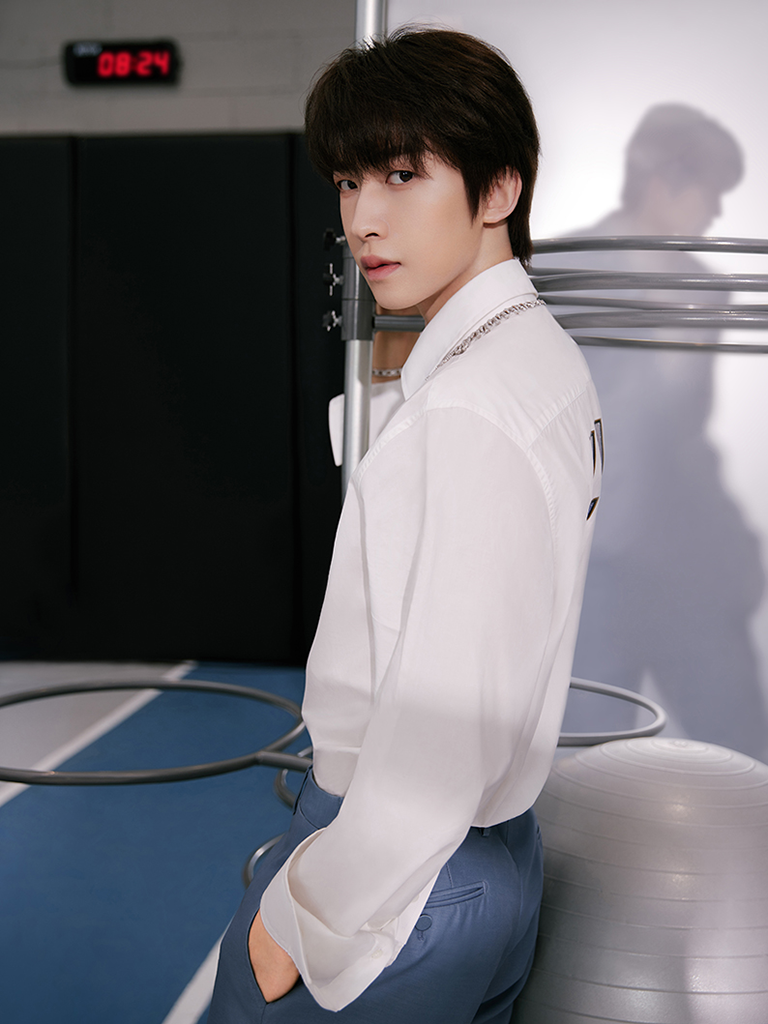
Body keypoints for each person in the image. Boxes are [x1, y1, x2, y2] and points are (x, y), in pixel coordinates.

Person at [208, 27, 602, 1023]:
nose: (363, 219)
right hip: (494, 858)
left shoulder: (471, 406)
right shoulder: (537, 357)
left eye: (400, 174)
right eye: (349, 182)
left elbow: (441, 734)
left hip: (397, 876)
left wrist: (303, 915)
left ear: (499, 188)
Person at [534, 105, 768, 759]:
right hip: (596, 566)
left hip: (690, 564)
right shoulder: (563, 275)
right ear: (663, 180)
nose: (715, 211)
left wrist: (734, 550)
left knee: (743, 751)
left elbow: (684, 435)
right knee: (590, 759)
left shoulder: (707, 289)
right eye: (708, 192)